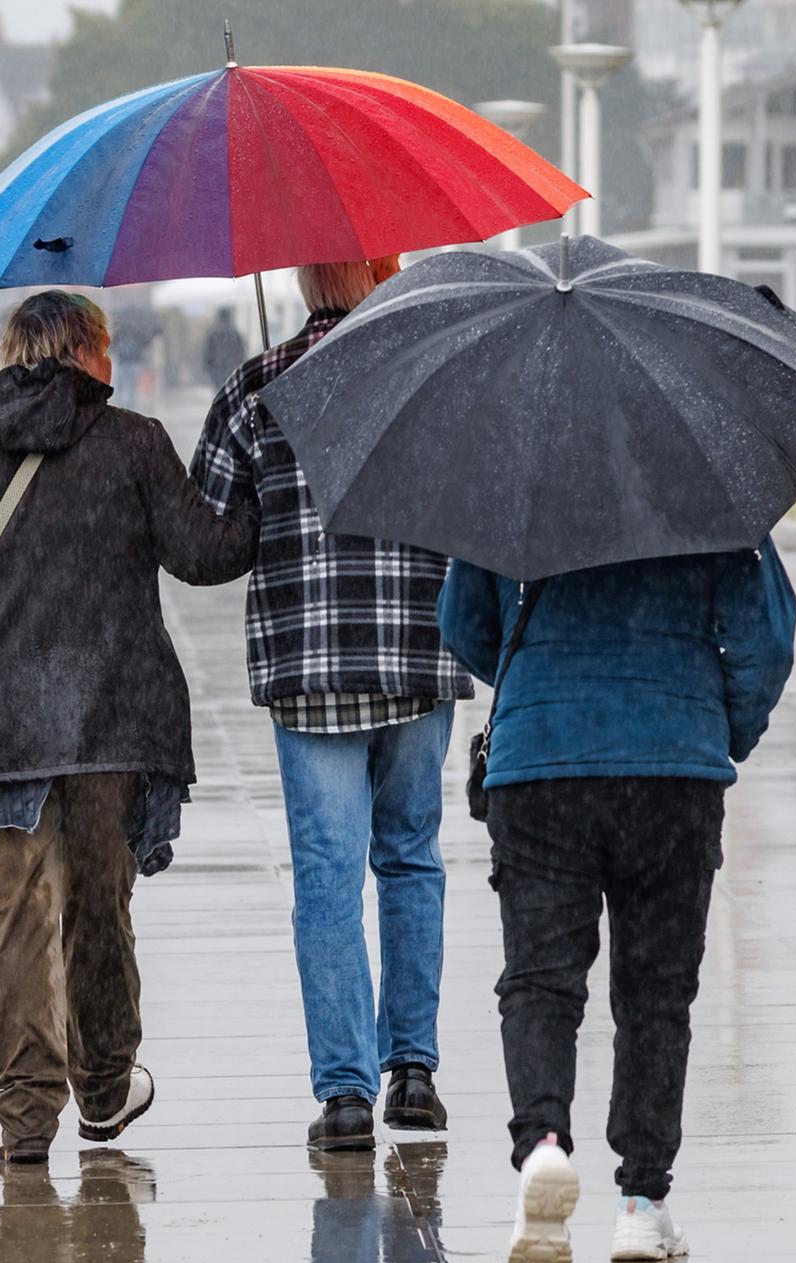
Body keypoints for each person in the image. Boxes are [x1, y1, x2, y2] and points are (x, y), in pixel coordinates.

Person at [0, 291, 257, 1167]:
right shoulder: (132, 445)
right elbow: (206, 554)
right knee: (98, 911)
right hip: (109, 725)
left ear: (13, 351)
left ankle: (24, 1120)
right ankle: (102, 1090)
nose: (115, 364)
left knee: (11, 923)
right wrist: (263, 481)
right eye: (107, 349)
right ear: (84, 354)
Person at [437, 542, 796, 1263]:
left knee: (540, 980)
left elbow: (463, 622)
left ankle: (541, 1144)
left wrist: (542, 676)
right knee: (656, 995)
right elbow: (766, 640)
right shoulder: (705, 485)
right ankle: (640, 1201)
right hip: (671, 763)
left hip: (540, 766)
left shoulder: (511, 474)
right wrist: (723, 727)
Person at [190, 258, 473, 1153]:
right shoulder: (439, 374)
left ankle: (347, 1094)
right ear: (388, 273)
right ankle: (416, 1073)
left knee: (327, 876)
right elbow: (488, 506)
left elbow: (209, 540)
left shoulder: (258, 386)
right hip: (420, 655)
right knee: (412, 860)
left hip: (309, 663)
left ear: (307, 284)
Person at [202, 307, 249, 388]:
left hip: (216, 368)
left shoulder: (213, 332)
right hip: (232, 368)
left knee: (219, 392)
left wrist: (208, 366)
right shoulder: (235, 332)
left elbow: (207, 352)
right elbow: (241, 351)